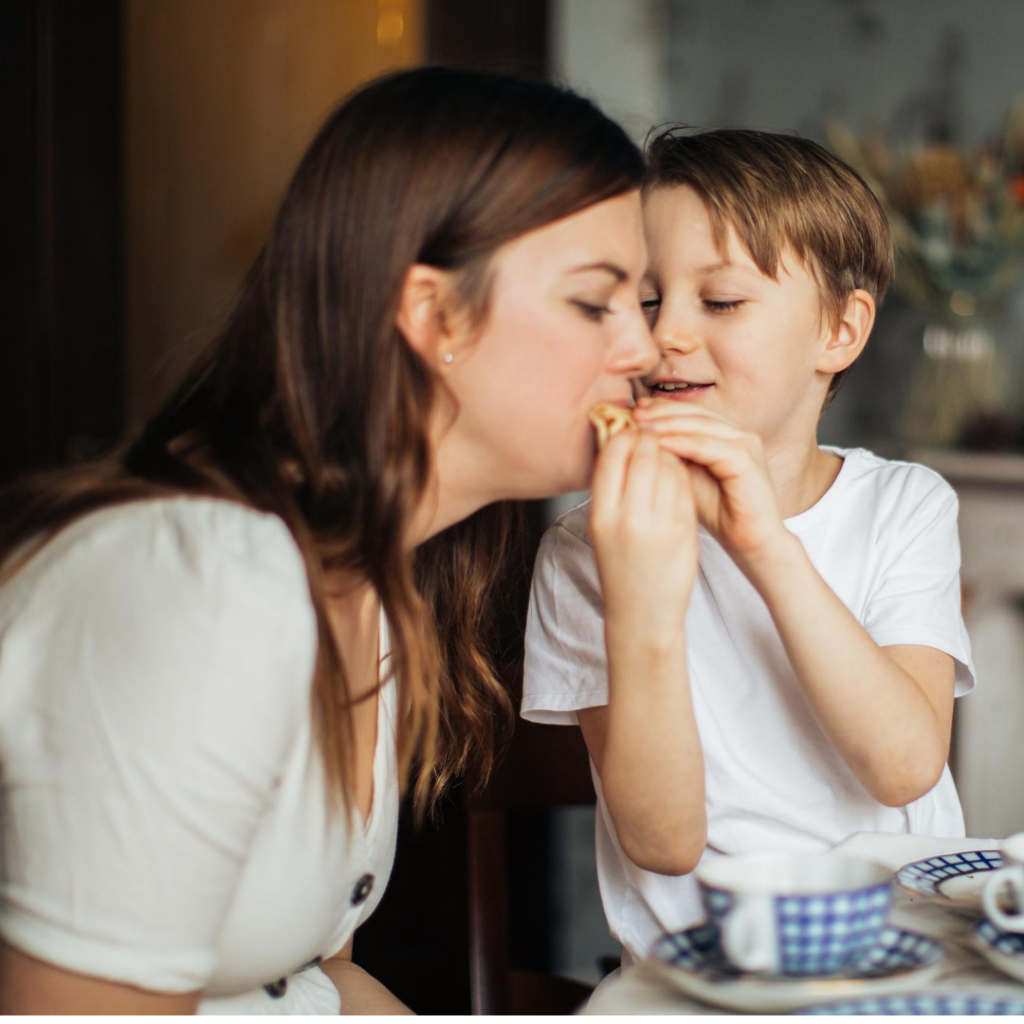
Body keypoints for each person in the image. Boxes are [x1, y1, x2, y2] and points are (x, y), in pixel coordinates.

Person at [0, 67, 698, 1014]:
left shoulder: (375, 582)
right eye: (594, 302)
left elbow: (314, 977)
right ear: (432, 314)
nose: (647, 350)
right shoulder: (206, 588)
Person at [523, 127, 976, 966]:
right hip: (694, 978)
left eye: (721, 301)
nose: (667, 337)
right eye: (645, 301)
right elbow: (662, 842)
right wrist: (642, 591)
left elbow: (905, 766)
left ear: (840, 330)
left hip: (901, 957)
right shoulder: (589, 548)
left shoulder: (904, 506)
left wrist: (763, 544)